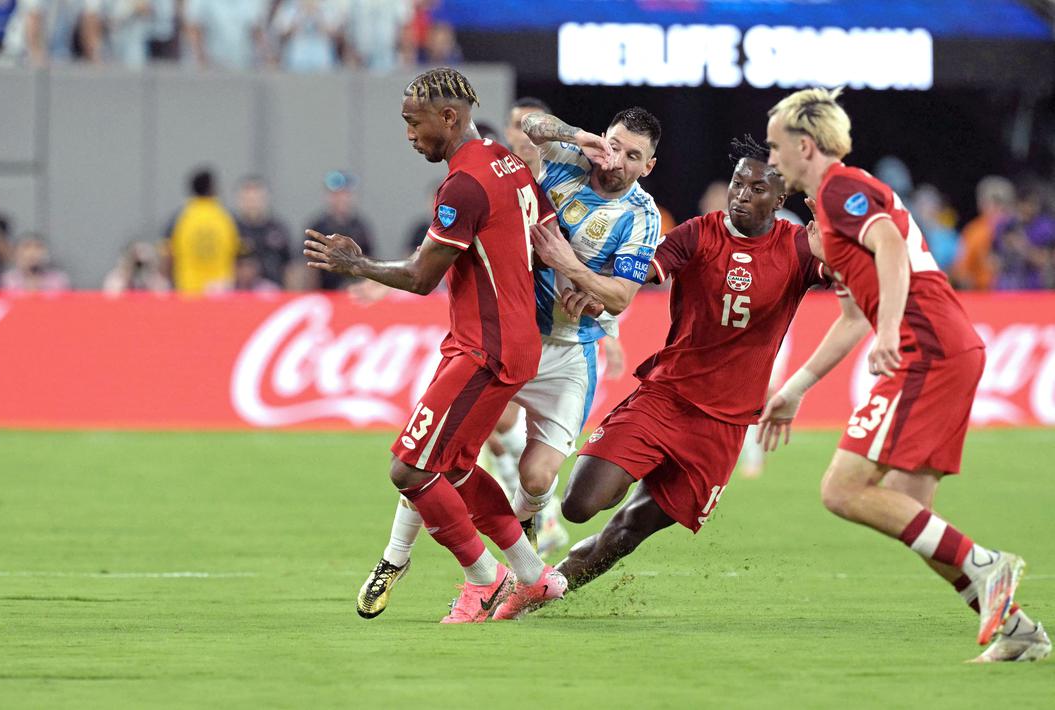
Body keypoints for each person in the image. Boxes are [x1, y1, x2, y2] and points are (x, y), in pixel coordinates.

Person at [760, 87, 1047, 662]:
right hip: (947, 346)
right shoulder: (832, 206)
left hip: (928, 348)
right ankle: (1018, 632)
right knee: (906, 508)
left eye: (775, 146)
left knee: (842, 490)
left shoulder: (842, 186)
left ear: (806, 145)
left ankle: (987, 564)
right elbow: (848, 319)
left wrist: (889, 329)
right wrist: (793, 389)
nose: (771, 159)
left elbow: (889, 246)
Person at [356, 105, 663, 618]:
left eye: (633, 155)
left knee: (537, 477)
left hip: (571, 353)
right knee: (439, 450)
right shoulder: (569, 158)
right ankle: (402, 557)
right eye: (613, 144)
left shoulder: (642, 216)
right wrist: (578, 132)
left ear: (648, 166)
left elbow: (621, 296)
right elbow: (532, 125)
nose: (616, 160)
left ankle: (519, 559)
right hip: (512, 334)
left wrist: (572, 269)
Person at [304, 67, 565, 623]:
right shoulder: (508, 160)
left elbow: (424, 277)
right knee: (459, 467)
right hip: (509, 341)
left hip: (485, 349)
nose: (408, 133)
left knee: (411, 470)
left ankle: (485, 578)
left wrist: (358, 264)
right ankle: (532, 574)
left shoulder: (464, 185)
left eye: (412, 120)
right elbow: (546, 241)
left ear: (449, 116)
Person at [553, 136, 829, 594]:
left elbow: (855, 279)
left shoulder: (799, 248)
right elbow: (639, 272)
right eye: (738, 184)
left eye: (757, 188)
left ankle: (539, 591)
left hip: (722, 426)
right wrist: (598, 291)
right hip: (667, 398)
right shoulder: (699, 232)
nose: (742, 194)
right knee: (579, 504)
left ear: (780, 199)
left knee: (628, 531)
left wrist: (834, 247)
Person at [167, 168, 240, 295]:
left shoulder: (181, 218)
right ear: (214, 189)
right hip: (219, 289)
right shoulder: (225, 218)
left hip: (188, 289)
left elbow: (168, 254)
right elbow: (237, 253)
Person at [304, 171, 374, 291]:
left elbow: (369, 261)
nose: (341, 199)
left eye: (345, 194)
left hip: (354, 289)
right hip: (325, 289)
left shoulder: (360, 227)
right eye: (336, 195)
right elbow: (309, 264)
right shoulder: (318, 226)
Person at [953, 176, 1014, 291]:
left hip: (1020, 295)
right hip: (984, 295)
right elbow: (961, 271)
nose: (998, 208)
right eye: (995, 201)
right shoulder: (975, 231)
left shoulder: (1018, 228)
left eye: (1001, 202)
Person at [233, 176, 293, 288]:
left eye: (256, 198)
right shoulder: (231, 229)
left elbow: (288, 265)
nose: (252, 203)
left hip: (273, 291)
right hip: (237, 293)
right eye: (247, 198)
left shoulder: (277, 230)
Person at [185, 0, 270, 71]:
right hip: (212, 68)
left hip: (243, 66)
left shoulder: (252, 2)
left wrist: (267, 60)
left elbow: (257, 33)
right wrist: (201, 61)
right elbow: (194, 29)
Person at [1, 235, 70, 293]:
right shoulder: (8, 280)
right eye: (27, 247)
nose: (32, 253)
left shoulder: (58, 280)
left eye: (38, 247)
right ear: (17, 252)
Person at [103, 241, 170, 295]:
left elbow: (163, 297)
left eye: (141, 265)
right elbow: (111, 297)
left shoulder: (156, 279)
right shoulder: (116, 278)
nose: (137, 269)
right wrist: (126, 277)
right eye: (135, 264)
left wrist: (149, 282)